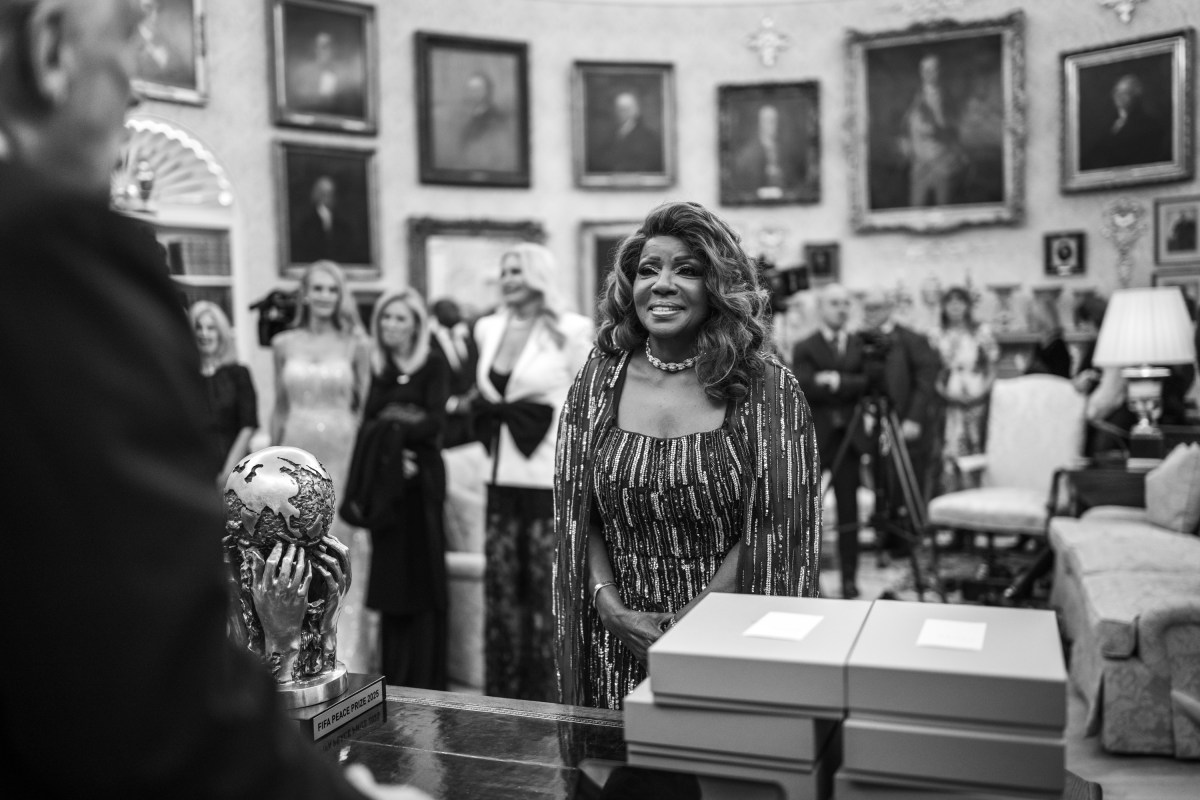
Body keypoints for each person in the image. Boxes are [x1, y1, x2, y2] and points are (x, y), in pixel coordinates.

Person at [0, 1, 424, 797]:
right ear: (53, 47)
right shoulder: (51, 255)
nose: (134, 94)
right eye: (127, 46)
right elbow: (135, 657)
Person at [554, 201, 822, 710]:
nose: (662, 284)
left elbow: (774, 528)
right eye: (648, 270)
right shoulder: (598, 380)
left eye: (688, 270)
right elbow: (576, 512)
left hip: (726, 639)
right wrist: (611, 609)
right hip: (616, 641)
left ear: (719, 287)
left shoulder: (765, 388)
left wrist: (683, 626)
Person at [474, 242, 594, 702]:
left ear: (538, 275)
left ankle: (552, 691)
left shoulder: (572, 329)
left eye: (517, 271)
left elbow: (586, 404)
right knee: (503, 587)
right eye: (504, 271)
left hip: (548, 474)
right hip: (499, 474)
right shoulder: (487, 329)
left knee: (547, 588)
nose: (508, 279)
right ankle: (504, 690)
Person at [271, 259, 378, 674]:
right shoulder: (284, 343)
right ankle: (293, 642)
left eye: (331, 290)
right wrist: (272, 462)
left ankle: (345, 644)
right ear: (306, 294)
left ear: (340, 296)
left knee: (340, 537)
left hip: (343, 449)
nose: (323, 297)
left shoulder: (357, 343)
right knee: (294, 536)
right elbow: (278, 408)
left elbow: (367, 410)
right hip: (295, 444)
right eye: (316, 288)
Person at [355, 289, 450, 689]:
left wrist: (391, 430)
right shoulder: (377, 366)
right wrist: (395, 444)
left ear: (416, 323)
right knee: (391, 581)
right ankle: (394, 677)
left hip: (422, 483)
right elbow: (368, 423)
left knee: (423, 579)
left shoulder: (433, 363)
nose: (391, 325)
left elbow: (432, 423)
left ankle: (426, 679)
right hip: (387, 487)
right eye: (385, 318)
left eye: (400, 318)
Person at [792, 284, 867, 599]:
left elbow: (868, 382)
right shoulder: (805, 346)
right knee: (809, 510)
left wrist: (835, 380)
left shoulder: (858, 344)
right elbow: (805, 385)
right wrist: (842, 384)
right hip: (817, 438)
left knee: (850, 512)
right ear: (821, 307)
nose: (842, 309)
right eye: (835, 303)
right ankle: (812, 578)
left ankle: (850, 579)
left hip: (850, 438)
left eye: (846, 303)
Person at [859, 289, 941, 558]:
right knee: (880, 478)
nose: (870, 313)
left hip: (904, 420)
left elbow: (926, 382)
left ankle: (907, 537)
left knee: (908, 479)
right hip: (872, 421)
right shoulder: (859, 340)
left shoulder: (912, 339)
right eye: (867, 308)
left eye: (876, 307)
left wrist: (914, 418)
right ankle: (884, 534)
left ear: (889, 308)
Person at [931, 287, 998, 496]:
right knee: (949, 450)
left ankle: (978, 499)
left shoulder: (981, 332)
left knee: (976, 445)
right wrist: (945, 392)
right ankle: (951, 501)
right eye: (950, 302)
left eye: (960, 301)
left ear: (968, 306)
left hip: (977, 396)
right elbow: (931, 371)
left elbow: (992, 365)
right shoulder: (936, 335)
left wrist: (982, 392)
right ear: (943, 307)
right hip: (948, 399)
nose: (955, 306)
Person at [189, 300, 259, 483]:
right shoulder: (184, 374)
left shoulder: (239, 374)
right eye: (199, 327)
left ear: (221, 333)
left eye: (211, 328)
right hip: (194, 470)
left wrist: (229, 471)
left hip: (236, 469)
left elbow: (248, 425)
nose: (204, 334)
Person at [899, 53, 967, 207]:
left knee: (944, 213)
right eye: (925, 70)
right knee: (915, 213)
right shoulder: (912, 98)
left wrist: (937, 128)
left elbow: (954, 131)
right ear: (920, 72)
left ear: (940, 71)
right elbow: (903, 130)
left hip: (942, 166)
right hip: (919, 168)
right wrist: (908, 152)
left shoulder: (949, 99)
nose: (929, 74)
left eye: (933, 69)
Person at [1081, 73, 1171, 171]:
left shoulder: (1149, 125)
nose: (1119, 96)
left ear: (1135, 96)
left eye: (1125, 92)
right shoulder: (1107, 122)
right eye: (1117, 91)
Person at [731, 103, 806, 196]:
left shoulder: (785, 151)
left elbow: (795, 183)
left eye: (774, 121)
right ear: (759, 123)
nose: (772, 125)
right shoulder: (748, 154)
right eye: (767, 121)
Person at [289, 29, 364, 118]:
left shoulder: (343, 72)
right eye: (322, 47)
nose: (325, 51)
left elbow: (350, 99)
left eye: (328, 46)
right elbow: (299, 100)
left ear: (334, 49)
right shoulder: (304, 71)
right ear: (315, 49)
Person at [292, 174, 361, 265]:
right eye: (325, 194)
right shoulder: (307, 225)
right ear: (317, 195)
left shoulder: (342, 226)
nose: (330, 198)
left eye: (331, 194)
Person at [454, 71, 516, 171]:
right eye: (470, 90)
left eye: (478, 90)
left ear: (487, 91)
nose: (473, 94)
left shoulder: (496, 118)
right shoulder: (466, 117)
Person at [590, 90, 663, 173]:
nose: (618, 112)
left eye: (624, 109)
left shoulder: (648, 137)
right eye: (617, 108)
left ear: (635, 111)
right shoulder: (612, 134)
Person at [1024, 296, 1071, 379]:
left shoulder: (1058, 347)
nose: (1028, 319)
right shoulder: (1040, 345)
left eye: (1031, 316)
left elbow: (1059, 379)